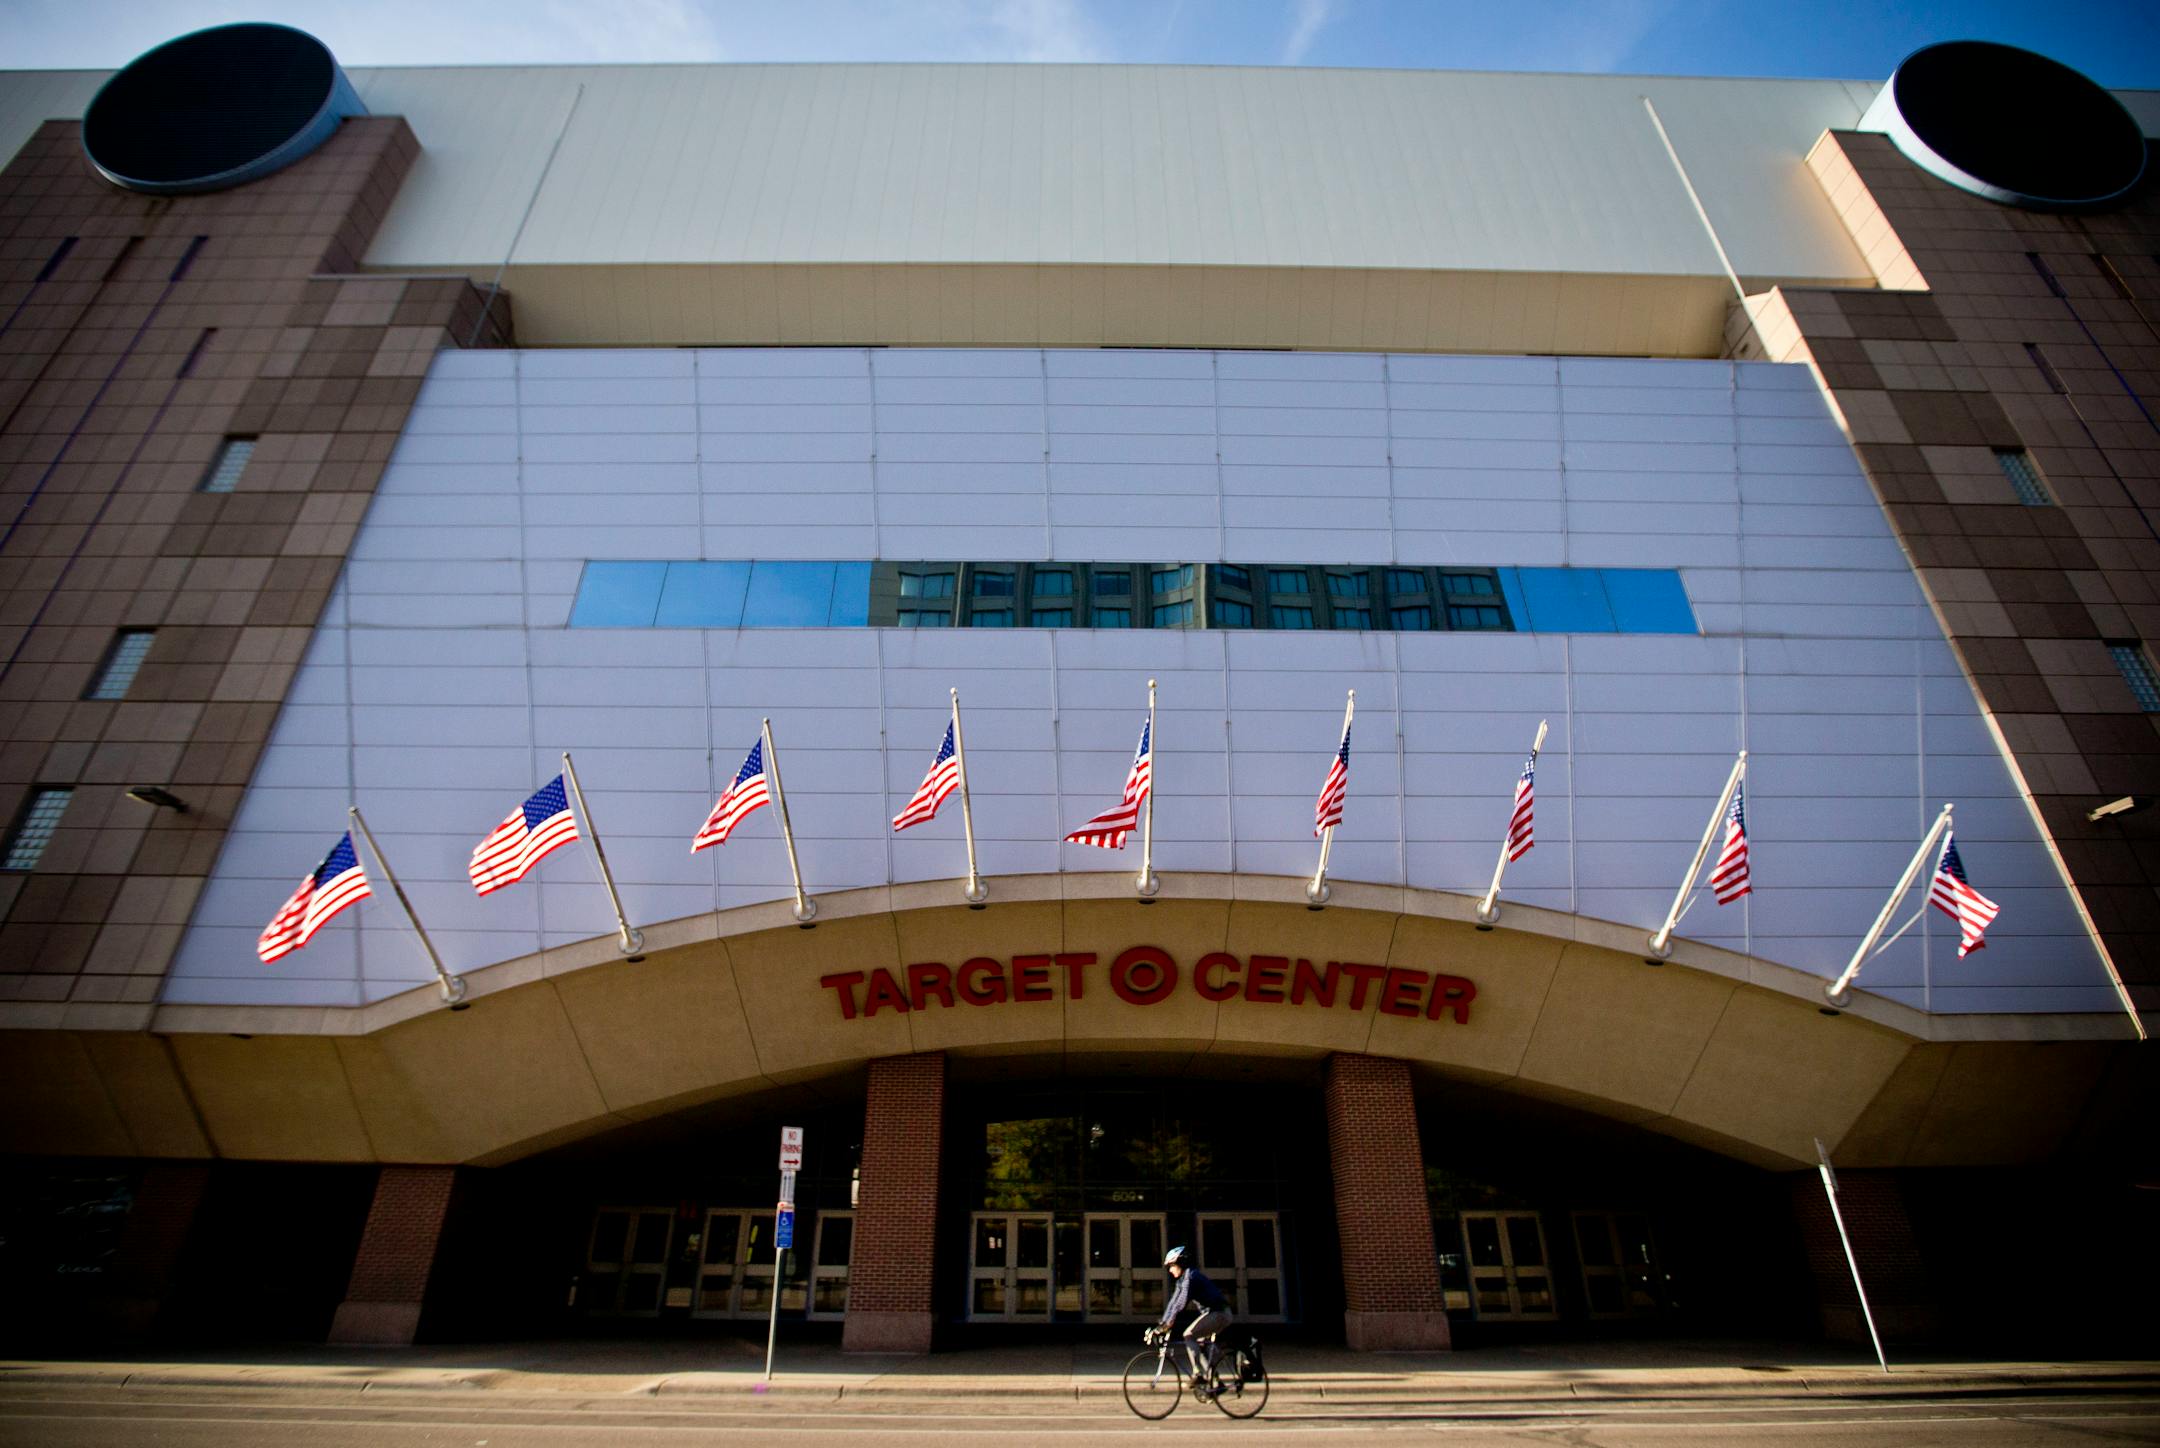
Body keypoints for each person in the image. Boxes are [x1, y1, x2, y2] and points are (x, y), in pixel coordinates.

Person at [1153, 1245, 1232, 1395]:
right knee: (1200, 1344)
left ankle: (1198, 1374)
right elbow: (1173, 1302)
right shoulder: (1182, 1280)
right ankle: (1215, 1381)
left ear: (1180, 1263)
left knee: (1188, 1335)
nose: (1170, 1270)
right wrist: (1163, 1322)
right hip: (1212, 1313)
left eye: (1171, 1266)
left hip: (1220, 1313)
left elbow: (1182, 1302)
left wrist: (1169, 1323)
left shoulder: (1191, 1277)